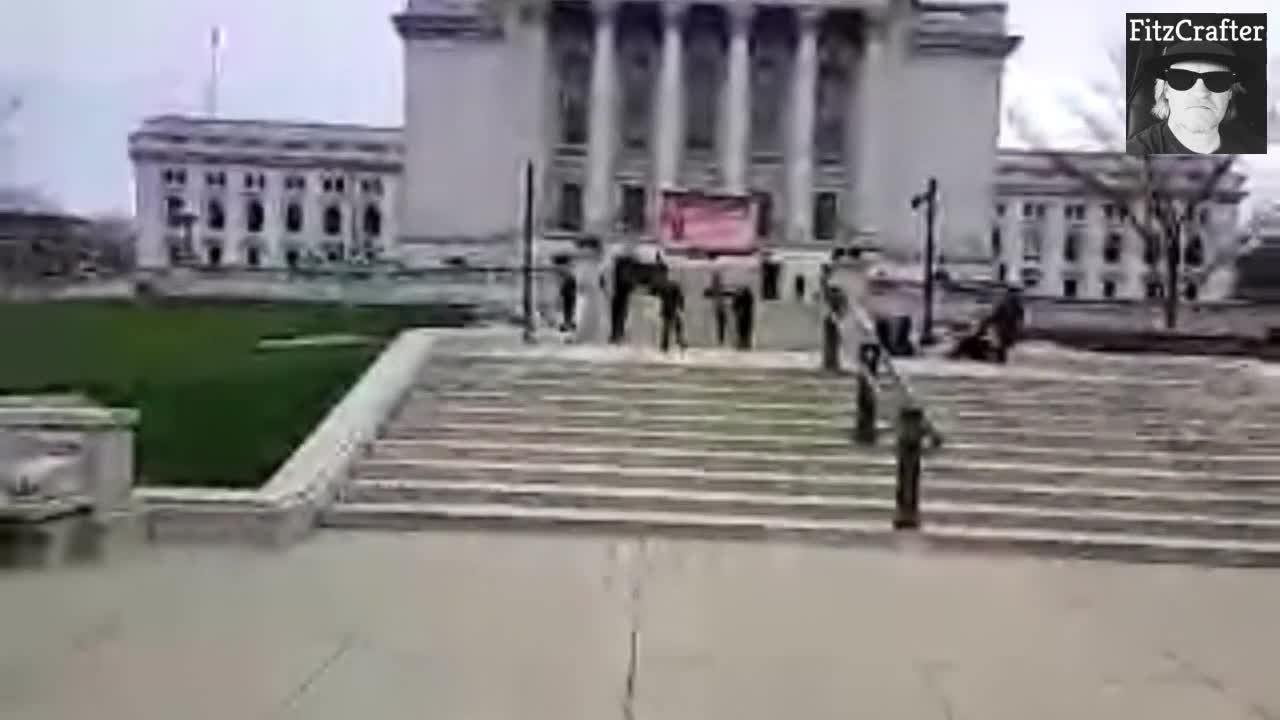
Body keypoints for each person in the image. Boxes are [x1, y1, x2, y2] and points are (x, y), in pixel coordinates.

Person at [1126, 41, 1266, 155]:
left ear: (1230, 92)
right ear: (1166, 89)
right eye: (1181, 78)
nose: (1201, 93)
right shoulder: (1133, 157)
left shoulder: (1257, 150)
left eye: (1218, 80)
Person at [657, 273, 687, 353]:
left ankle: (665, 346)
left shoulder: (663, 286)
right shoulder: (674, 285)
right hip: (672, 309)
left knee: (668, 328)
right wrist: (681, 307)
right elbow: (680, 297)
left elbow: (659, 296)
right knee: (677, 326)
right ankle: (679, 342)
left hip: (667, 309)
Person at [704, 270, 729, 346]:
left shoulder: (718, 288)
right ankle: (721, 340)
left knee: (721, 324)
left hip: (719, 307)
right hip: (718, 308)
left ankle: (721, 340)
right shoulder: (717, 288)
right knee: (721, 324)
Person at [731, 285, 756, 350]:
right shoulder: (740, 297)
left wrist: (738, 311)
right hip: (742, 317)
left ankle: (745, 343)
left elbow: (734, 306)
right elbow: (734, 306)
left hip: (745, 317)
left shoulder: (746, 297)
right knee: (742, 330)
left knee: (745, 330)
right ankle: (743, 343)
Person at [558, 266, 578, 333]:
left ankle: (568, 324)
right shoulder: (571, 278)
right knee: (569, 311)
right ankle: (569, 324)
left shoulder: (568, 278)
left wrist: (562, 293)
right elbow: (574, 287)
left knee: (568, 311)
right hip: (570, 297)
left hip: (568, 297)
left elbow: (564, 288)